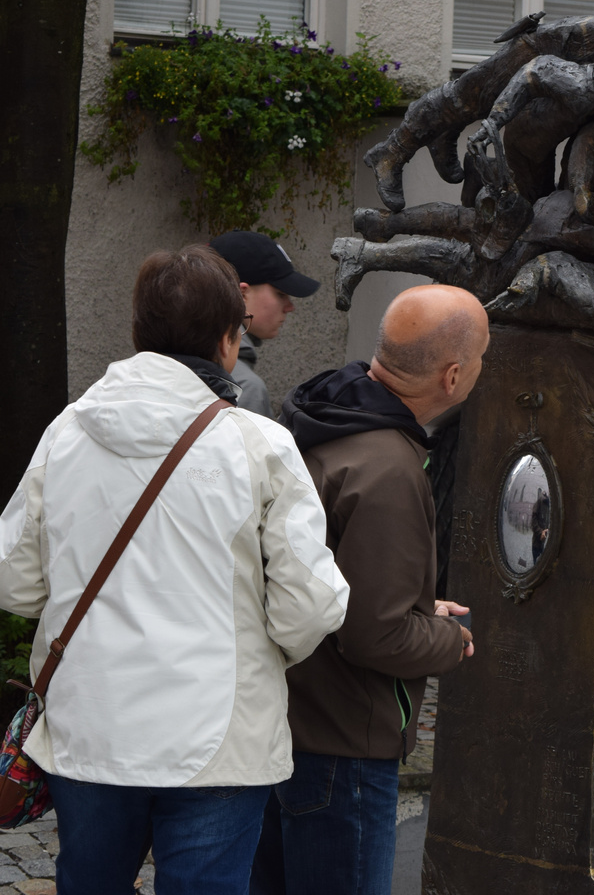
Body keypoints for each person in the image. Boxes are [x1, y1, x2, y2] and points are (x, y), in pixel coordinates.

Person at [0, 245, 350, 893]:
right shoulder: (261, 444)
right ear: (228, 338)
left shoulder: (68, 433)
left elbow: (14, 581)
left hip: (90, 723)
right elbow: (310, 605)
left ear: (139, 334)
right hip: (218, 740)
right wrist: (257, 653)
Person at [253, 285, 489, 894]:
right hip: (345, 746)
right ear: (453, 373)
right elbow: (373, 634)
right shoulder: (388, 465)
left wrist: (415, 603)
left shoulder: (326, 419)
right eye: (483, 358)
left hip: (289, 722)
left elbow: (330, 582)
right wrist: (447, 638)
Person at [209, 231, 323, 416]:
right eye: (281, 294)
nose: (290, 307)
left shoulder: (166, 355)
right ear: (242, 294)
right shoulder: (243, 387)